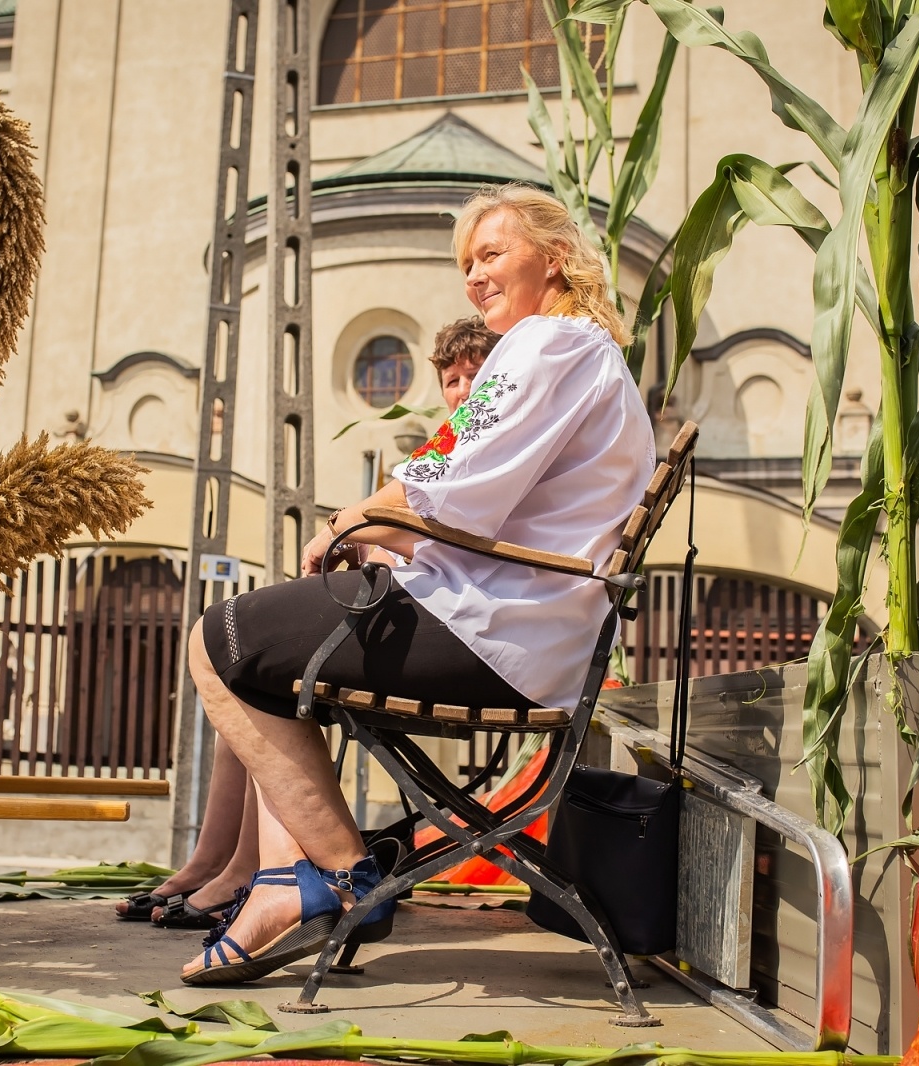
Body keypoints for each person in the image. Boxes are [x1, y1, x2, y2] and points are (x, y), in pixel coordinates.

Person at [174, 183, 656, 985]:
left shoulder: (548, 346)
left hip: (488, 629)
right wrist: (375, 521)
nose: (474, 276)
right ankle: (282, 882)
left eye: (492, 254)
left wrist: (344, 524)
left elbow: (453, 490)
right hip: (519, 627)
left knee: (215, 641)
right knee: (261, 659)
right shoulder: (581, 354)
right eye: (466, 264)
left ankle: (336, 876)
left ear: (556, 257)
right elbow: (465, 488)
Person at [113, 316, 501, 925]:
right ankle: (218, 860)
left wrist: (353, 530)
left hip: (455, 628)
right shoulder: (461, 438)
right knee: (243, 675)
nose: (461, 388)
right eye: (451, 379)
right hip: (435, 610)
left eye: (475, 374)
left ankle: (288, 871)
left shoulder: (488, 439)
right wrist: (370, 541)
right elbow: (420, 533)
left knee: (250, 658)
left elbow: (447, 536)